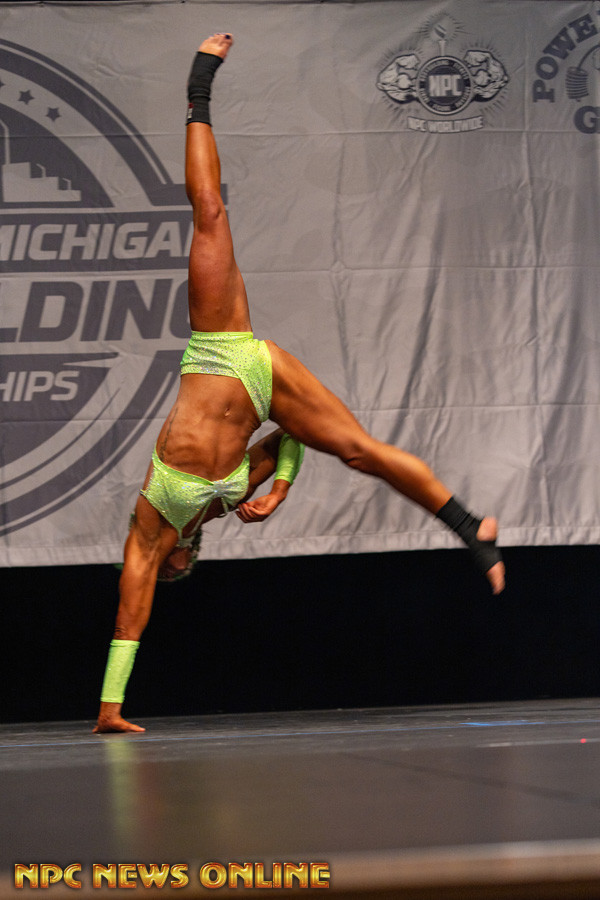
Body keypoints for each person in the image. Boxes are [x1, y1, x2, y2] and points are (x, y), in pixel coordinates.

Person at [94, 33, 504, 734]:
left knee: (210, 214)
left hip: (219, 346)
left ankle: (198, 89)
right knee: (359, 451)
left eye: (164, 569)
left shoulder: (148, 524)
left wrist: (109, 706)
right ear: (189, 559)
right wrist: (280, 486)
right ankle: (473, 526)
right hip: (266, 383)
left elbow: (130, 609)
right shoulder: (227, 502)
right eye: (173, 571)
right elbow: (288, 437)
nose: (163, 568)